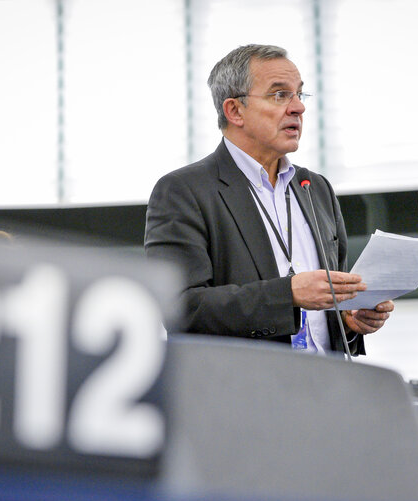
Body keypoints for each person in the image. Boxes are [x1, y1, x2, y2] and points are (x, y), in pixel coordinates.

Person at [144, 44, 393, 356]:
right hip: (244, 393)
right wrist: (286, 295)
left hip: (328, 388)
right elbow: (178, 307)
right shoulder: (184, 190)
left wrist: (350, 319)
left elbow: (328, 313)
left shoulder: (314, 188)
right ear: (234, 110)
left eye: (299, 95)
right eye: (279, 95)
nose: (298, 108)